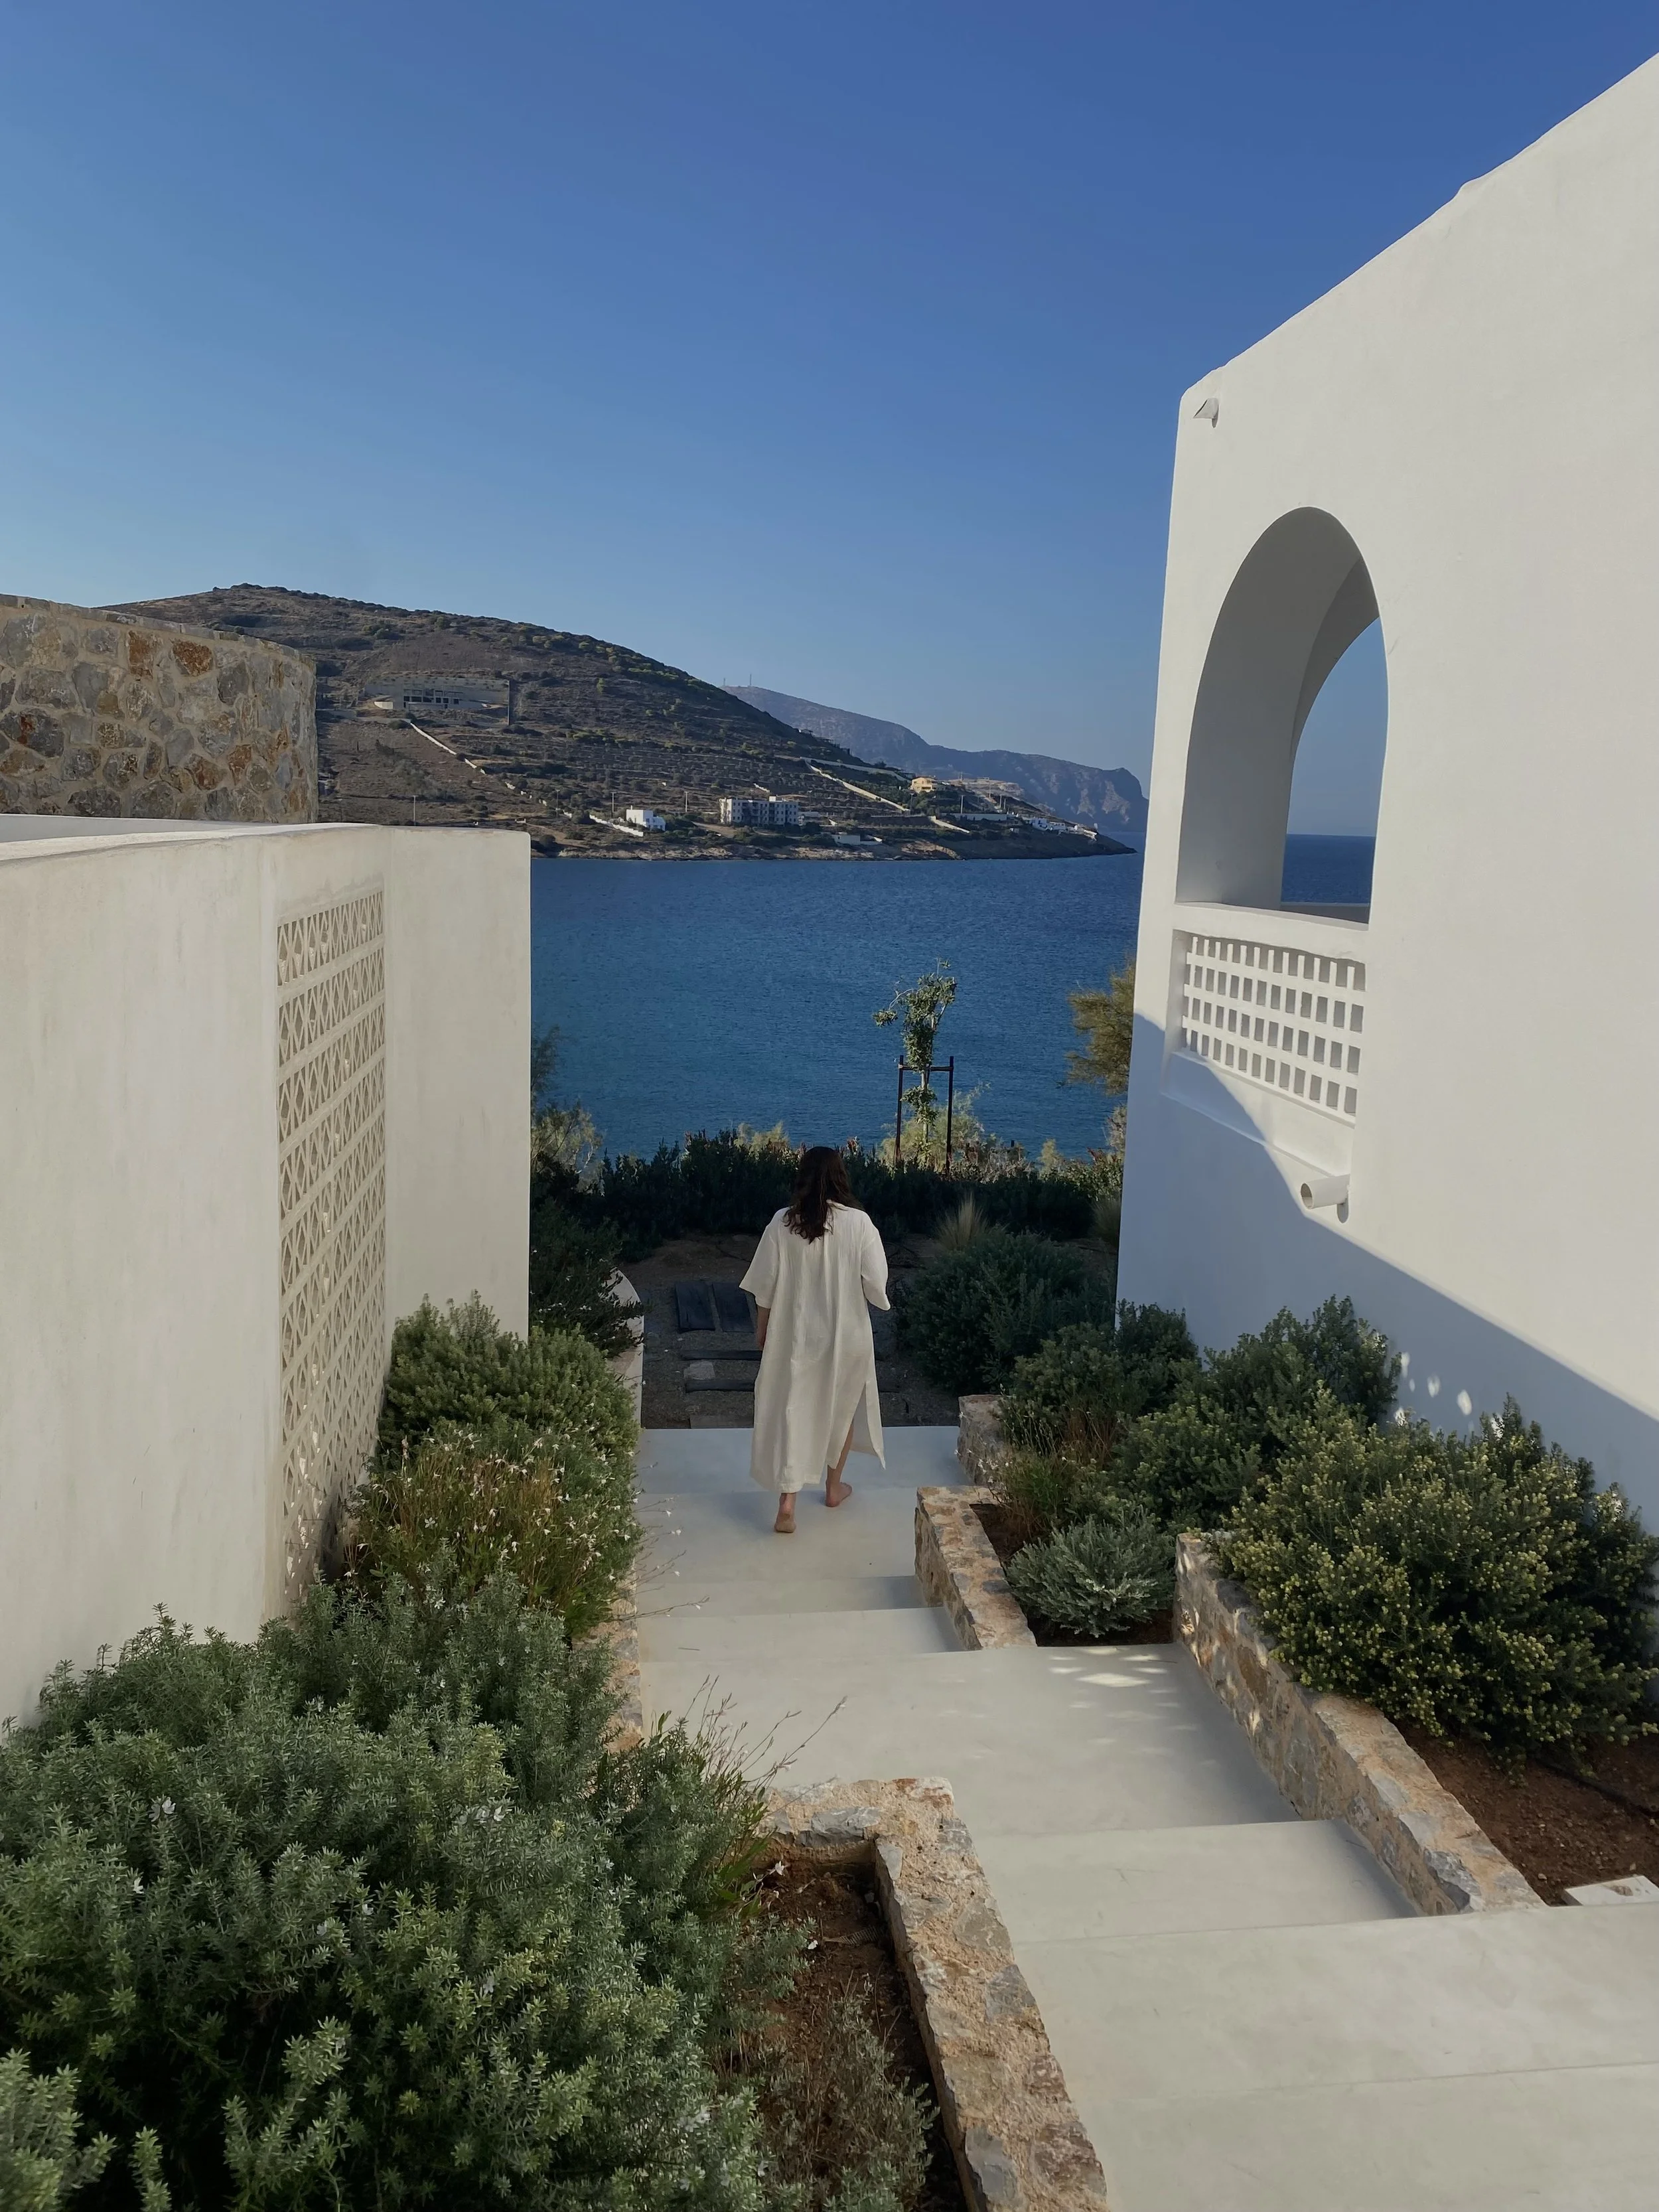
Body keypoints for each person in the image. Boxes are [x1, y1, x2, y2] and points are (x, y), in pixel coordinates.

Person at [741, 1145, 890, 1534]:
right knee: (841, 1409)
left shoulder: (782, 1223)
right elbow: (877, 1285)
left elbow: (765, 1288)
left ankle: (788, 1501)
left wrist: (762, 1328)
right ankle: (833, 1488)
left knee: (794, 1406)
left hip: (795, 1336)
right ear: (841, 1177)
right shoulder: (859, 1224)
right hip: (846, 1334)